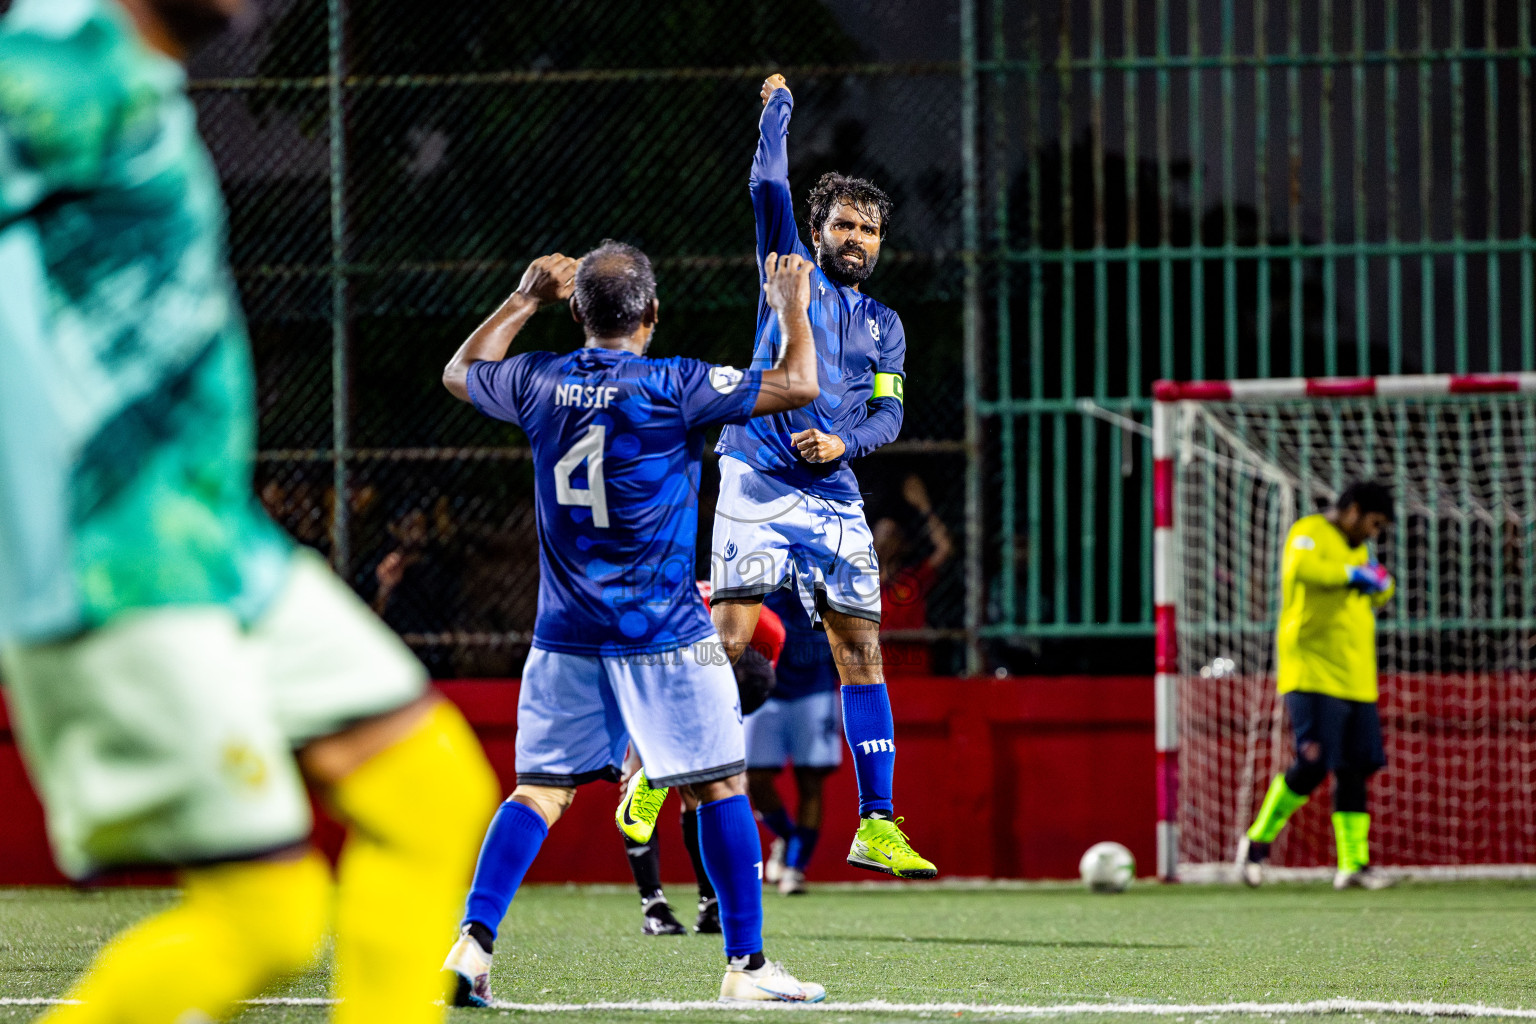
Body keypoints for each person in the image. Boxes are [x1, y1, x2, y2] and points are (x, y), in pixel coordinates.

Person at [0, 2, 500, 1022]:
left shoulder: (120, 73)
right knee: (267, 917)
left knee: (429, 792)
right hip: (113, 558)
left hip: (212, 541)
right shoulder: (60, 60)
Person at [437, 243, 826, 1005]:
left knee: (539, 792)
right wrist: (791, 310)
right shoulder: (675, 383)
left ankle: (472, 947)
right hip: (663, 632)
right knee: (720, 786)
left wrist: (523, 298)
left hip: (564, 632)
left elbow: (460, 372)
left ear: (577, 313)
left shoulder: (537, 378)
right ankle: (746, 967)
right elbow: (800, 383)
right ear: (651, 312)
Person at [709, 74, 936, 881]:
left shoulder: (886, 326)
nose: (858, 239)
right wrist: (778, 110)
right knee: (728, 645)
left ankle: (876, 823)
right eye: (845, 224)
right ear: (818, 230)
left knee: (862, 649)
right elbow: (766, 183)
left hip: (833, 492)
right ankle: (656, 772)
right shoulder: (789, 265)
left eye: (870, 230)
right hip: (755, 475)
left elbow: (889, 414)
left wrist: (846, 445)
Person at [1236, 481, 1398, 890]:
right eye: (1374, 523)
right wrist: (1351, 575)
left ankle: (1353, 865)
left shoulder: (1358, 550)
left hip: (1356, 676)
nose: (1374, 533)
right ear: (1353, 510)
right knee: (1313, 762)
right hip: (1311, 671)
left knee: (1355, 768)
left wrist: (1382, 583)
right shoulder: (1309, 531)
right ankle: (1256, 843)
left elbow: (1378, 592)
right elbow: (1302, 570)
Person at [615, 582, 785, 936]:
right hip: (646, 662)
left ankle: (710, 904)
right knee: (645, 780)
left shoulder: (769, 634)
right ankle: (653, 905)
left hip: (692, 666)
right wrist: (638, 758)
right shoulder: (669, 619)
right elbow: (640, 679)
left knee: (704, 788)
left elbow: (749, 692)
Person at [749, 588, 844, 895]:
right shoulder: (751, 563)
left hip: (815, 682)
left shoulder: (825, 562)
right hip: (762, 682)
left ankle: (795, 867)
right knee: (753, 778)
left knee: (811, 780)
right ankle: (789, 837)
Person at [875, 474, 953, 677]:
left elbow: (944, 548)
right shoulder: (861, 583)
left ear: (902, 544)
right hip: (878, 672)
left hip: (914, 670)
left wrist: (924, 506)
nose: (886, 541)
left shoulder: (913, 578)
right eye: (882, 535)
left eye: (892, 535)